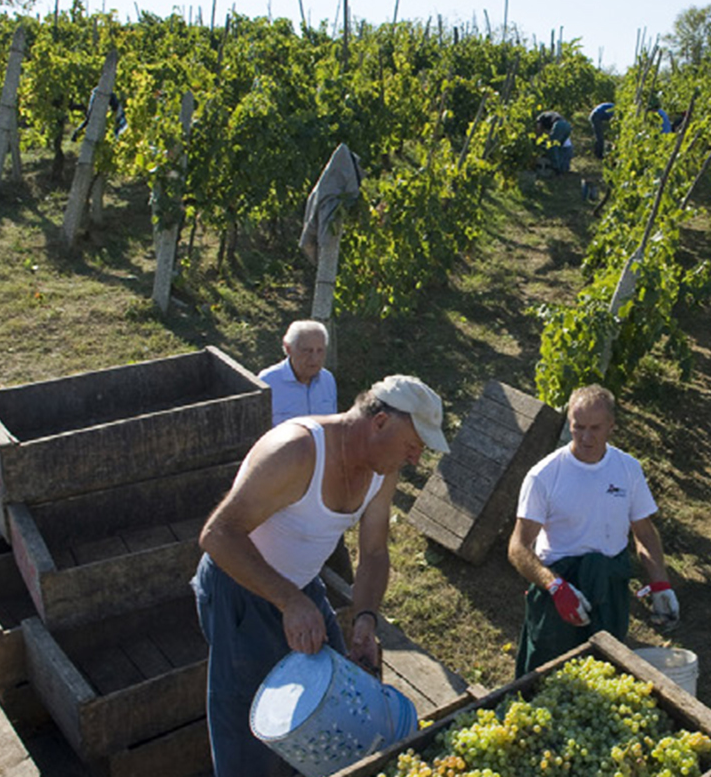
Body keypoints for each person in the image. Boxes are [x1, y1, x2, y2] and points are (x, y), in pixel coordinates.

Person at [193, 375, 451, 777]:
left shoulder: (383, 469)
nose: (416, 459)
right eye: (413, 445)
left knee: (336, 696)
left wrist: (365, 619)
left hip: (299, 585)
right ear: (380, 422)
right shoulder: (297, 451)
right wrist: (290, 602)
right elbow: (217, 536)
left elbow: (375, 552)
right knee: (251, 724)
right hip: (238, 587)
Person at [508, 384, 678, 677]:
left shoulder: (627, 470)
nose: (586, 437)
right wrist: (556, 587)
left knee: (604, 671)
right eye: (578, 427)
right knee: (546, 675)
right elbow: (518, 547)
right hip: (558, 586)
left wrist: (660, 583)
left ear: (611, 425)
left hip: (608, 587)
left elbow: (644, 532)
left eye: (595, 428)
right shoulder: (545, 475)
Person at [257, 320, 338, 428]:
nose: (315, 358)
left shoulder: (327, 380)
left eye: (320, 351)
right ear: (288, 349)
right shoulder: (268, 382)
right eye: (307, 351)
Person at [535, 110, 574, 175]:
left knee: (552, 146)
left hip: (559, 125)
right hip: (567, 125)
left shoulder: (540, 117)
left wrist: (537, 139)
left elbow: (539, 129)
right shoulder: (551, 115)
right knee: (560, 147)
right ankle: (563, 167)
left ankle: (556, 167)